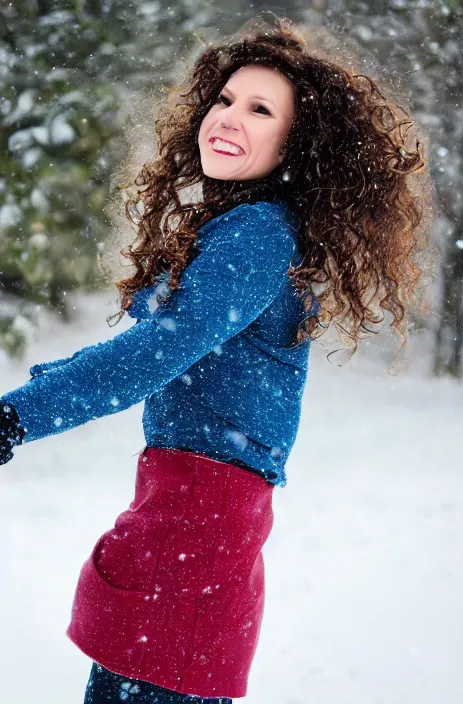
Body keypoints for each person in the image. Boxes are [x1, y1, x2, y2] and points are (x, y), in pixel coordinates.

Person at [0, 15, 434, 704]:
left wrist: (16, 416)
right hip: (187, 521)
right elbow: (159, 345)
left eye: (260, 109)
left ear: (296, 144)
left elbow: (157, 351)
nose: (227, 117)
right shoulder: (243, 229)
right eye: (225, 99)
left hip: (196, 530)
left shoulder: (258, 235)